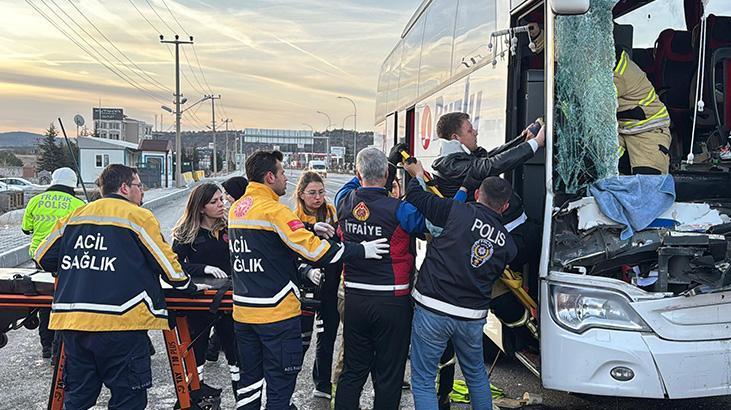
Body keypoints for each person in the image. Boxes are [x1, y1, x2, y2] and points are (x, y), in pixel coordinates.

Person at [33, 164, 204, 409]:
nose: (142, 191)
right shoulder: (137, 216)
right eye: (139, 186)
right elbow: (169, 268)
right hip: (121, 323)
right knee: (128, 400)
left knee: (78, 398)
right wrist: (189, 287)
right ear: (124, 188)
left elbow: (43, 256)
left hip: (74, 324)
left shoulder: (75, 216)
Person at [229, 150, 389, 409]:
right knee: (280, 387)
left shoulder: (238, 209)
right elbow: (315, 251)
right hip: (276, 315)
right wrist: (362, 250)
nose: (285, 178)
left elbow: (270, 239)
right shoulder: (275, 211)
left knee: (250, 384)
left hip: (244, 314)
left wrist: (310, 227)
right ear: (269, 177)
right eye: (282, 173)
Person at [402, 159, 517, 410]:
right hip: (471, 317)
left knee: (423, 380)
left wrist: (417, 174)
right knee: (476, 376)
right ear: (505, 207)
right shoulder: (508, 245)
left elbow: (416, 197)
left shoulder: (455, 212)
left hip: (432, 308)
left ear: (477, 195)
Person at [333, 147, 427, 410]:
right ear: (387, 175)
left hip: (355, 299)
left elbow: (352, 184)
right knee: (389, 375)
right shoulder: (401, 209)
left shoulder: (344, 201)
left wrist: (371, 169)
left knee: (353, 371)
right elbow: (426, 222)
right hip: (392, 301)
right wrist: (418, 179)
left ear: (357, 174)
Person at [527, 23, 670, 174]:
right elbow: (565, 54)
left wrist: (547, 123)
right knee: (606, 169)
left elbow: (582, 111)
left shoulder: (615, 73)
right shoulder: (595, 61)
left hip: (647, 130)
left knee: (648, 182)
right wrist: (538, 36)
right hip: (620, 129)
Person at [172, 183, 240, 405]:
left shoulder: (230, 228)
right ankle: (196, 395)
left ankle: (242, 398)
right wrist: (203, 268)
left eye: (221, 199)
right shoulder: (186, 233)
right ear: (201, 207)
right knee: (196, 350)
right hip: (199, 302)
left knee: (235, 352)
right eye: (214, 202)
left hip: (228, 301)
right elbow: (174, 265)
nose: (221, 204)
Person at [21, 167, 85, 359]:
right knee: (66, 301)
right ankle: (61, 348)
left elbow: (26, 229)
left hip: (40, 257)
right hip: (67, 260)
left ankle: (47, 346)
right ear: (73, 184)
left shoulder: (35, 201)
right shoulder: (78, 204)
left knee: (45, 301)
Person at [292, 171, 341, 400]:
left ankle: (322, 384)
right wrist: (306, 271)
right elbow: (289, 257)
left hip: (329, 285)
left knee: (327, 336)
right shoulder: (293, 217)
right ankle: (286, 388)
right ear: (301, 194)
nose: (318, 197)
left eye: (321, 192)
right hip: (303, 288)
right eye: (312, 193)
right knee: (301, 341)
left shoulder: (331, 213)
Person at [429, 112, 544, 199]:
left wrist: (523, 139)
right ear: (455, 138)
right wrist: (536, 142)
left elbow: (492, 157)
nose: (475, 133)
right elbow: (490, 165)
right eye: (470, 130)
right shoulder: (452, 165)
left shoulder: (456, 159)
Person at [206, 175, 249, 364]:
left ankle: (216, 349)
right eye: (217, 199)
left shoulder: (243, 217)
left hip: (237, 277)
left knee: (227, 319)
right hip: (218, 280)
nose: (223, 201)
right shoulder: (219, 220)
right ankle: (213, 349)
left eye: (226, 195)